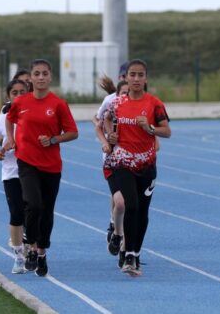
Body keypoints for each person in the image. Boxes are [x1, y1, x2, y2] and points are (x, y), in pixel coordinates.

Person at [5, 59, 79, 277]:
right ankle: (30, 247)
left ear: (50, 77)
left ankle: (42, 251)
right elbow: (9, 119)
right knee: (33, 205)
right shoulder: (21, 102)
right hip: (26, 161)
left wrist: (54, 139)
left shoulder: (58, 104)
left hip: (51, 165)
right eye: (36, 74)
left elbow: (73, 132)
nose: (40, 77)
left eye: (44, 74)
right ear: (31, 78)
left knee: (46, 210)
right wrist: (11, 139)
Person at [102, 59, 171, 276]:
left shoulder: (155, 104)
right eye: (132, 75)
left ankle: (136, 252)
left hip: (147, 164)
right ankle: (129, 254)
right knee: (130, 205)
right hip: (122, 162)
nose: (136, 79)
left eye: (140, 75)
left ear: (146, 78)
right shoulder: (118, 103)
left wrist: (149, 127)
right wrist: (110, 135)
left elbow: (166, 131)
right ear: (125, 78)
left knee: (142, 211)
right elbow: (106, 119)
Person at [0, 79, 29, 274]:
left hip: (33, 170)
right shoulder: (2, 119)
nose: (19, 96)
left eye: (22, 92)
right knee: (17, 213)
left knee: (34, 211)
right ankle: (19, 256)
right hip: (11, 172)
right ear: (8, 96)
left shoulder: (34, 116)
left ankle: (34, 249)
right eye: (15, 93)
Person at [93, 63, 128, 245]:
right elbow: (98, 120)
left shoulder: (143, 103)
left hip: (134, 159)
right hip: (113, 157)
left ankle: (127, 246)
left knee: (127, 201)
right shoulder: (111, 101)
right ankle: (115, 226)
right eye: (124, 76)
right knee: (119, 198)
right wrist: (107, 139)